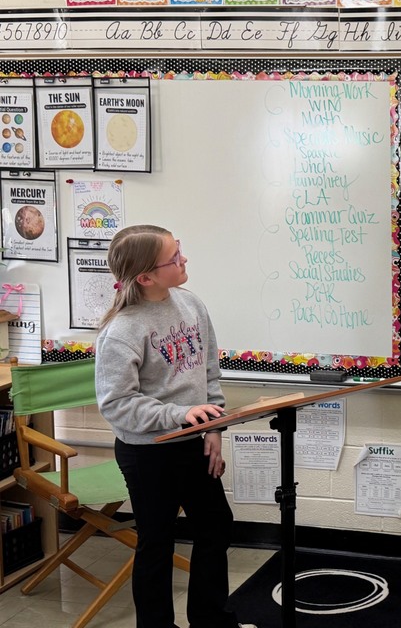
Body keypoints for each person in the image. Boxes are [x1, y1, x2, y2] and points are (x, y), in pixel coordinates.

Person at [95, 225, 255, 628]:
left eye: (179, 251)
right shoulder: (121, 332)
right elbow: (116, 405)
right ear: (146, 277)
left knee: (216, 527)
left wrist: (213, 428)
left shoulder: (190, 304)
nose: (184, 261)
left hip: (192, 441)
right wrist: (179, 415)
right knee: (157, 544)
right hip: (148, 450)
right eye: (174, 258)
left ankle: (212, 621)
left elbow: (208, 372)